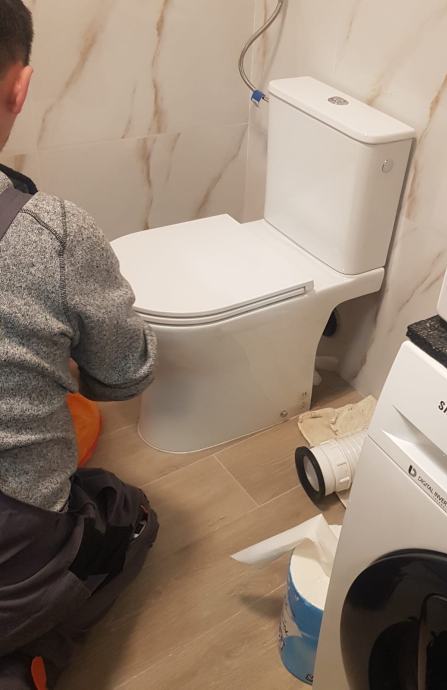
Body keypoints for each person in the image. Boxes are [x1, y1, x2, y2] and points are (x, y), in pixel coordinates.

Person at [0, 2, 159, 688]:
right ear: (21, 86)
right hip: (14, 567)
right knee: (129, 510)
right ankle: (36, 649)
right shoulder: (52, 231)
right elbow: (124, 376)